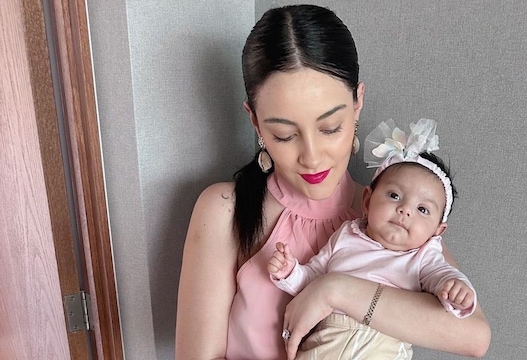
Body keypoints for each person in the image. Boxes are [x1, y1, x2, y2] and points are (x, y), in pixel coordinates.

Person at [175, 4, 491, 360]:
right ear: (256, 124)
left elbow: (474, 337)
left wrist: (335, 290)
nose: (312, 157)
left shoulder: (390, 215)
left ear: (357, 103)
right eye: (284, 135)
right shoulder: (225, 208)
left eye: (330, 128)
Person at [268, 119, 476, 359]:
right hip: (326, 340)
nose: (405, 210)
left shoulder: (424, 255)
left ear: (437, 231)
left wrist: (455, 287)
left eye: (422, 209)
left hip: (382, 342)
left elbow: (440, 276)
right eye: (395, 195)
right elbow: (312, 281)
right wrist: (290, 271)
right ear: (367, 201)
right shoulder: (345, 236)